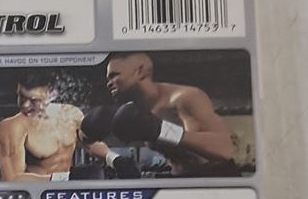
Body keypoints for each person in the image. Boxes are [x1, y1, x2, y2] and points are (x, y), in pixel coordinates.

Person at [81, 52, 236, 176]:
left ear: (140, 71)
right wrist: (113, 158)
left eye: (115, 75)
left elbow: (224, 150)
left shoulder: (184, 98)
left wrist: (162, 130)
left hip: (215, 178)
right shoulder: (131, 110)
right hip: (178, 179)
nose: (109, 83)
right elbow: (85, 139)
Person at [0, 72, 86, 181]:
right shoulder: (12, 127)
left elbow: (91, 145)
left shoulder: (71, 113)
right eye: (21, 96)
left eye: (34, 100)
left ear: (52, 95)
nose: (25, 105)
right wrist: (64, 179)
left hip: (66, 189)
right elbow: (12, 180)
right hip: (37, 191)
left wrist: (108, 158)